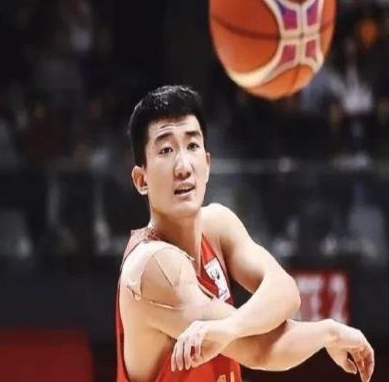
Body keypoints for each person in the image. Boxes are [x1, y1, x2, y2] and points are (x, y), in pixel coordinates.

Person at [116, 85, 375, 382]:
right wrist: (328, 333)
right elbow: (260, 349)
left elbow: (286, 291)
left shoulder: (217, 225)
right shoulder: (152, 268)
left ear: (208, 165)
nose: (183, 166)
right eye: (166, 150)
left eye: (192, 145)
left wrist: (230, 327)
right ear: (141, 180)